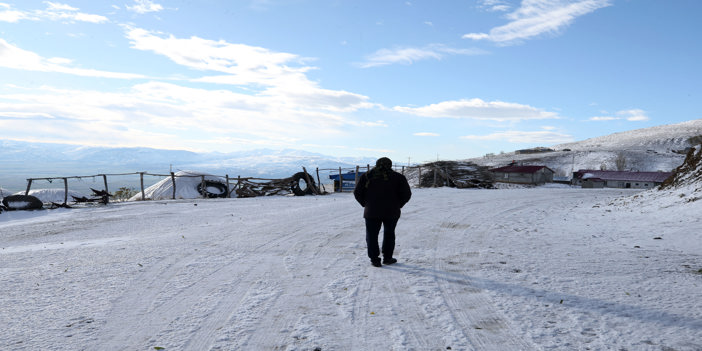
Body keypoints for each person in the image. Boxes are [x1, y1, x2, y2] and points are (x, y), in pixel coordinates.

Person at [353, 157, 412, 267]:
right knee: (389, 234)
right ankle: (387, 258)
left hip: (371, 212)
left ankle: (375, 259)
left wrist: (366, 204)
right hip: (392, 212)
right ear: (390, 165)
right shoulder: (398, 177)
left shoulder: (367, 176)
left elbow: (357, 193)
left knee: (371, 235)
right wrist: (398, 205)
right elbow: (407, 194)